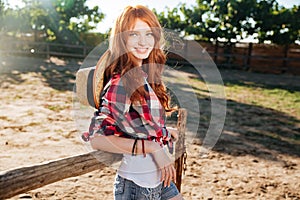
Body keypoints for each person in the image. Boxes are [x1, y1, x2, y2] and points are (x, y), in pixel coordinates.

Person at [81, 5, 183, 200]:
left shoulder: (142, 77)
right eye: (134, 34)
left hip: (160, 179)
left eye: (148, 34)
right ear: (122, 39)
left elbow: (136, 123)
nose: (143, 42)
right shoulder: (121, 82)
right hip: (138, 185)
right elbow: (97, 139)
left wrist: (164, 132)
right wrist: (153, 148)